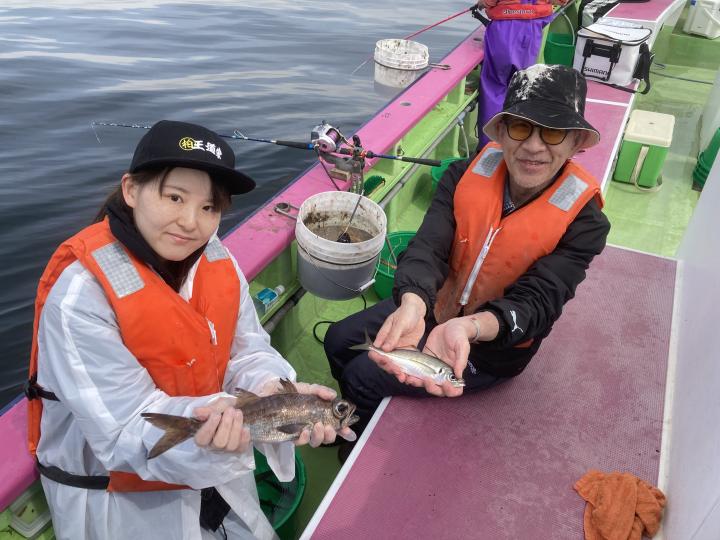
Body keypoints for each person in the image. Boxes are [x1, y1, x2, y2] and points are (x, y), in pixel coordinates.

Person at [25, 120, 355, 540]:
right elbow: (123, 432)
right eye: (174, 197)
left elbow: (246, 349)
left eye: (209, 207)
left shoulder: (216, 259)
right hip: (120, 497)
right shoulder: (81, 295)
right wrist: (218, 419)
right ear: (131, 190)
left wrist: (272, 388)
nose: (189, 222)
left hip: (217, 458)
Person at [324, 64, 611, 439]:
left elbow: (538, 303)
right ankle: (353, 416)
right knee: (338, 339)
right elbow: (429, 245)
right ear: (502, 133)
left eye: (553, 132)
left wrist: (470, 327)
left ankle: (351, 437)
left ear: (575, 143)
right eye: (521, 127)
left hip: (492, 344)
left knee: (362, 376)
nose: (534, 146)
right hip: (435, 307)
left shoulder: (586, 223)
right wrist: (414, 303)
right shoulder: (462, 175)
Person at [475, 0, 568, 149]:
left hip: (505, 28)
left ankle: (490, 145)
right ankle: (517, 142)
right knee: (520, 87)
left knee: (495, 87)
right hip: (533, 28)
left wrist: (483, 3)